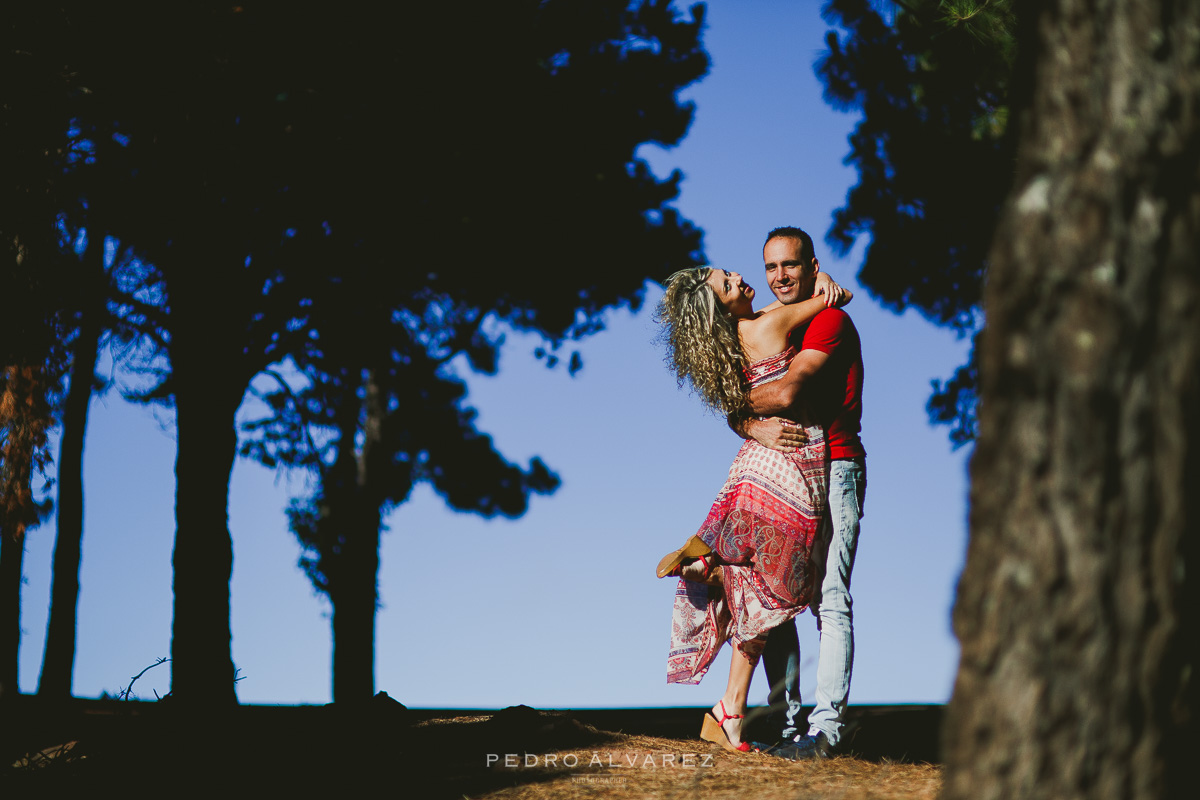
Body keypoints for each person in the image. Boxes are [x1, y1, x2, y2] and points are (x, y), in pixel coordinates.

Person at [655, 264, 850, 753]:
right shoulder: (768, 325)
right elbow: (835, 298)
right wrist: (824, 283)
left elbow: (734, 405)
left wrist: (742, 419)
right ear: (721, 305)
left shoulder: (738, 337)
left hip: (753, 462)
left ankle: (729, 709)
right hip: (789, 459)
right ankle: (716, 565)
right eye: (728, 284)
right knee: (780, 584)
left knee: (759, 582)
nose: (740, 277)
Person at [741, 227, 867, 760]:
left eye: (790, 265)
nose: (779, 277)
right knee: (780, 602)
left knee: (829, 598)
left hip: (836, 467)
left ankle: (826, 730)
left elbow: (789, 389)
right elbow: (758, 401)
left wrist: (735, 401)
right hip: (791, 470)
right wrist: (747, 421)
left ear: (813, 265)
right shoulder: (782, 326)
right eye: (770, 268)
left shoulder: (831, 322)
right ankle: (790, 729)